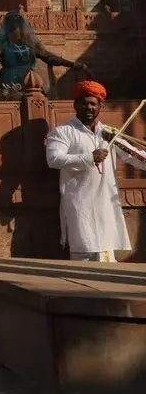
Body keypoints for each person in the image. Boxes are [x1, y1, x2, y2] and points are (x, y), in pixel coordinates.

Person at [45, 80, 146, 262]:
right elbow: (54, 160)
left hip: (106, 203)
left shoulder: (108, 133)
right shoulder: (62, 132)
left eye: (93, 103)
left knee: (107, 255)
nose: (89, 107)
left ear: (101, 106)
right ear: (75, 105)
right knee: (83, 252)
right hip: (79, 202)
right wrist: (89, 158)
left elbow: (133, 156)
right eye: (84, 103)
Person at [0, 10, 86, 91]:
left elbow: (49, 57)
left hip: (30, 80)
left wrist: (72, 64)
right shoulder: (2, 43)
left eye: (18, 27)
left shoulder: (30, 43)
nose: (16, 31)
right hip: (8, 81)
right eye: (13, 28)